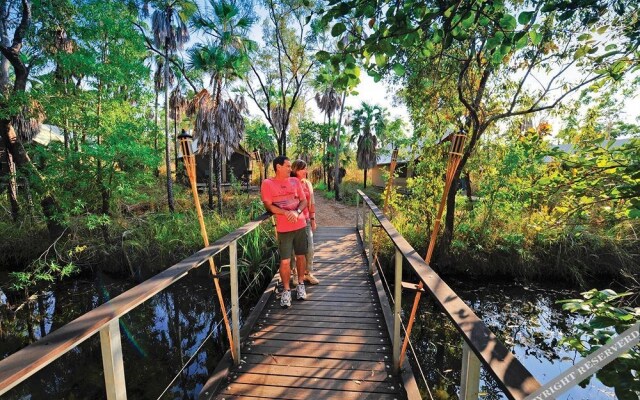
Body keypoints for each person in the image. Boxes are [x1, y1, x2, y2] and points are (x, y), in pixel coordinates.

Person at [261, 156, 308, 308]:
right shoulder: (268, 183)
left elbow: (304, 200)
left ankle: (301, 284)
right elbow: (269, 206)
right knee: (285, 261)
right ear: (278, 167)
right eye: (287, 166)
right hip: (284, 229)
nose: (290, 168)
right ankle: (286, 290)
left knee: (301, 256)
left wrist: (297, 211)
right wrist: (284, 212)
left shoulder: (295, 181)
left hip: (300, 224)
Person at [290, 160, 319, 285]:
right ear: (295, 169)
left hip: (306, 220)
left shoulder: (308, 184)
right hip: (292, 221)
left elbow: (311, 202)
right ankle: (295, 274)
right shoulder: (289, 183)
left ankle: (308, 273)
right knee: (293, 250)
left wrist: (313, 219)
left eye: (306, 169)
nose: (306, 171)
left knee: (310, 248)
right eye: (303, 169)